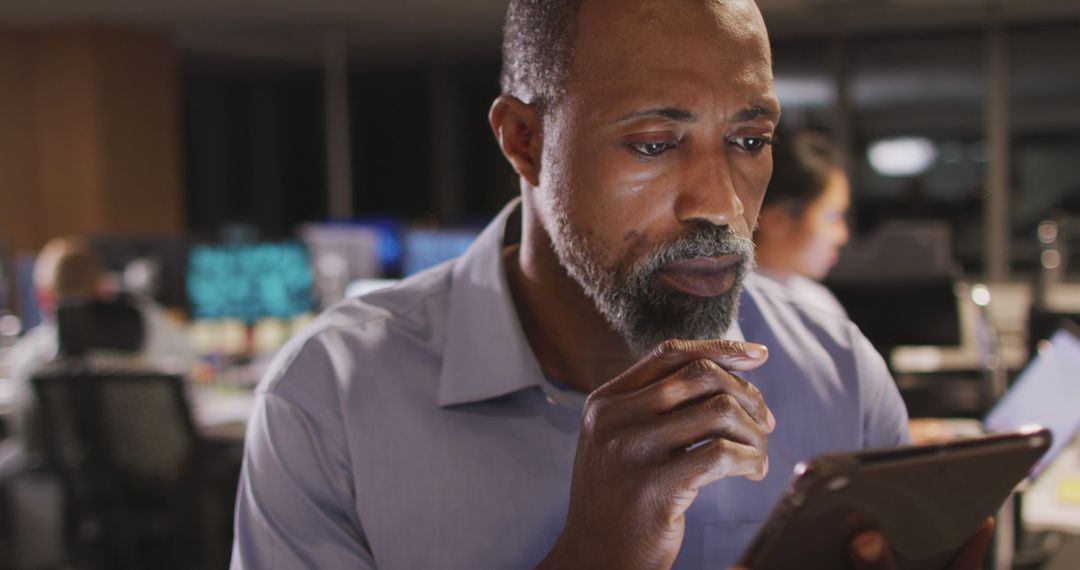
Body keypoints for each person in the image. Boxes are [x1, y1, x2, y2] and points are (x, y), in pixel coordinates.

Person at [232, 1, 991, 568]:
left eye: (750, 141)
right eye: (655, 144)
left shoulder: (837, 371)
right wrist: (598, 550)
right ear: (524, 142)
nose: (721, 205)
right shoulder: (331, 397)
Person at [753, 130, 850, 318]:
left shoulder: (815, 299)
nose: (842, 236)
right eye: (832, 217)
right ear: (776, 219)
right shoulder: (736, 309)